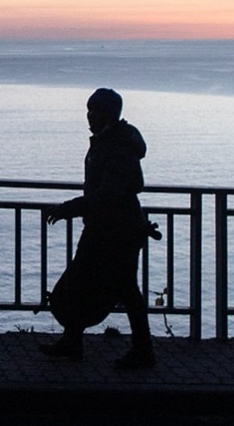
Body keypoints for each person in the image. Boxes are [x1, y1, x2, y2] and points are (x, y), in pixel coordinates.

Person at [38, 88, 157, 370]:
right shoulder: (110, 141)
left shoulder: (117, 147)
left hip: (118, 231)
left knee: (126, 290)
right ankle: (73, 340)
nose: (89, 117)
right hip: (104, 227)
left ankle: (143, 350)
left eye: (94, 111)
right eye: (88, 111)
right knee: (82, 282)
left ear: (107, 114)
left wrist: (69, 208)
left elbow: (108, 193)